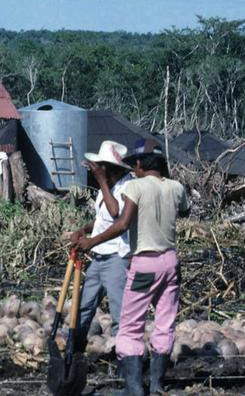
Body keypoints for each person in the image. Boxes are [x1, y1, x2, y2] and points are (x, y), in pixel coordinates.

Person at [78, 140, 190, 396]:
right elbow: (184, 210)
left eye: (134, 166)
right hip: (171, 264)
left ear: (138, 165)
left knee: (130, 324)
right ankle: (158, 384)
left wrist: (92, 241)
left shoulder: (135, 186)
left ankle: (134, 389)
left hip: (145, 267)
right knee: (165, 322)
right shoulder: (175, 187)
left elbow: (122, 223)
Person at [69, 140, 134, 349]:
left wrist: (102, 182)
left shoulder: (128, 186)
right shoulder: (106, 187)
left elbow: (117, 215)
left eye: (100, 167)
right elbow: (102, 218)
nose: (96, 170)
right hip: (98, 255)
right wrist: (84, 230)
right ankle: (74, 351)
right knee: (85, 305)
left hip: (116, 256)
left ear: (109, 168)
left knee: (119, 311)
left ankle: (122, 358)